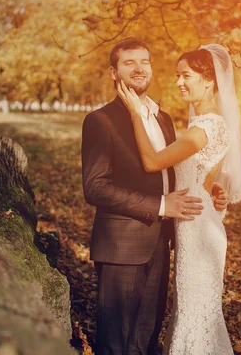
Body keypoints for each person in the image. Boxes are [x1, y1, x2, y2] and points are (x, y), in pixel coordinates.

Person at [81, 37, 229, 355]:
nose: (139, 68)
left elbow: (175, 172)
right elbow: (95, 187)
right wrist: (162, 205)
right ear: (113, 72)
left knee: (146, 339)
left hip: (162, 244)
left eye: (144, 61)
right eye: (129, 62)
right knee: (116, 342)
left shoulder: (164, 119)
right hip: (122, 246)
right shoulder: (100, 121)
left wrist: (209, 192)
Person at [117, 44, 241, 354]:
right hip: (200, 221)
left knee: (193, 311)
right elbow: (205, 180)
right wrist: (216, 194)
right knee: (196, 311)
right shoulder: (210, 124)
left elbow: (152, 162)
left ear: (209, 80)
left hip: (197, 232)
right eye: (177, 75)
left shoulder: (202, 129)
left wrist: (135, 114)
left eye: (186, 75)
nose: (178, 82)